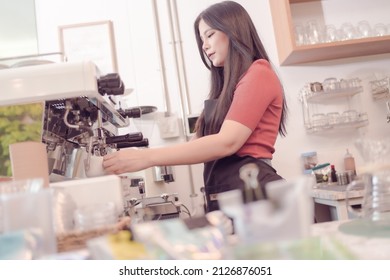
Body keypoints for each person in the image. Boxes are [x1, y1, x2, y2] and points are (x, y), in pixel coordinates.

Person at [103, 0, 288, 212]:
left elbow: (227, 142)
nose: (205, 45)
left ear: (234, 30)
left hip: (258, 197)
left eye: (210, 35)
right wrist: (132, 159)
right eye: (202, 39)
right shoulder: (225, 89)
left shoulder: (259, 73)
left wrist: (146, 157)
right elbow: (196, 146)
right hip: (234, 197)